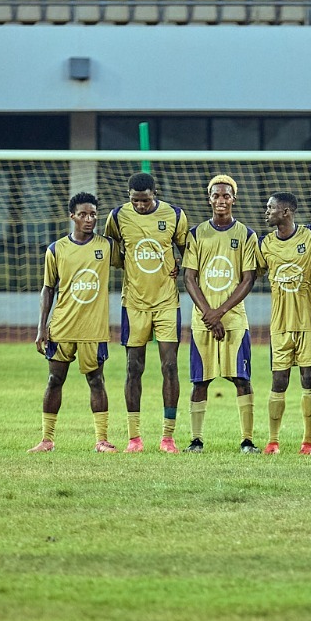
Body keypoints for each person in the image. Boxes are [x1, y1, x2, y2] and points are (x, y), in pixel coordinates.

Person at [102, 172, 189, 453]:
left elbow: (187, 249)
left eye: (145, 200)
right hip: (134, 304)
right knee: (133, 367)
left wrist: (179, 262)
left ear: (155, 194)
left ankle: (168, 438)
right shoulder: (117, 217)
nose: (140, 206)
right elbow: (111, 248)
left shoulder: (174, 215)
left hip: (166, 302)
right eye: (135, 201)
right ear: (129, 197)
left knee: (170, 366)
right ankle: (134, 438)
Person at [180, 174, 262, 453]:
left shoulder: (246, 235)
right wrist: (208, 314)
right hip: (203, 320)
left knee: (241, 378)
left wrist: (219, 313)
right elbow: (189, 278)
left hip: (234, 319)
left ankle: (247, 441)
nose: (221, 200)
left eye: (226, 195)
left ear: (234, 199)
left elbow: (248, 279)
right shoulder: (197, 233)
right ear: (209, 199)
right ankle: (196, 440)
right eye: (216, 195)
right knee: (200, 380)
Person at [29, 192, 113, 453]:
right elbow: (48, 289)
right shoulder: (56, 250)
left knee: (96, 381)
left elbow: (132, 263)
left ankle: (101, 440)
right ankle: (46, 440)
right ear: (72, 217)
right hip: (62, 327)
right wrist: (41, 328)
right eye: (84, 215)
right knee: (55, 380)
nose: (89, 219)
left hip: (93, 329)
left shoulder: (107, 246)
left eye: (93, 215)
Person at [260, 191, 311, 455]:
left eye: (271, 208)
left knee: (308, 379)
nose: (267, 212)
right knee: (279, 380)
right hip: (279, 324)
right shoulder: (265, 244)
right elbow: (251, 271)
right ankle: (273, 441)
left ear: (286, 212)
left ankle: (307, 442)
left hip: (308, 323)